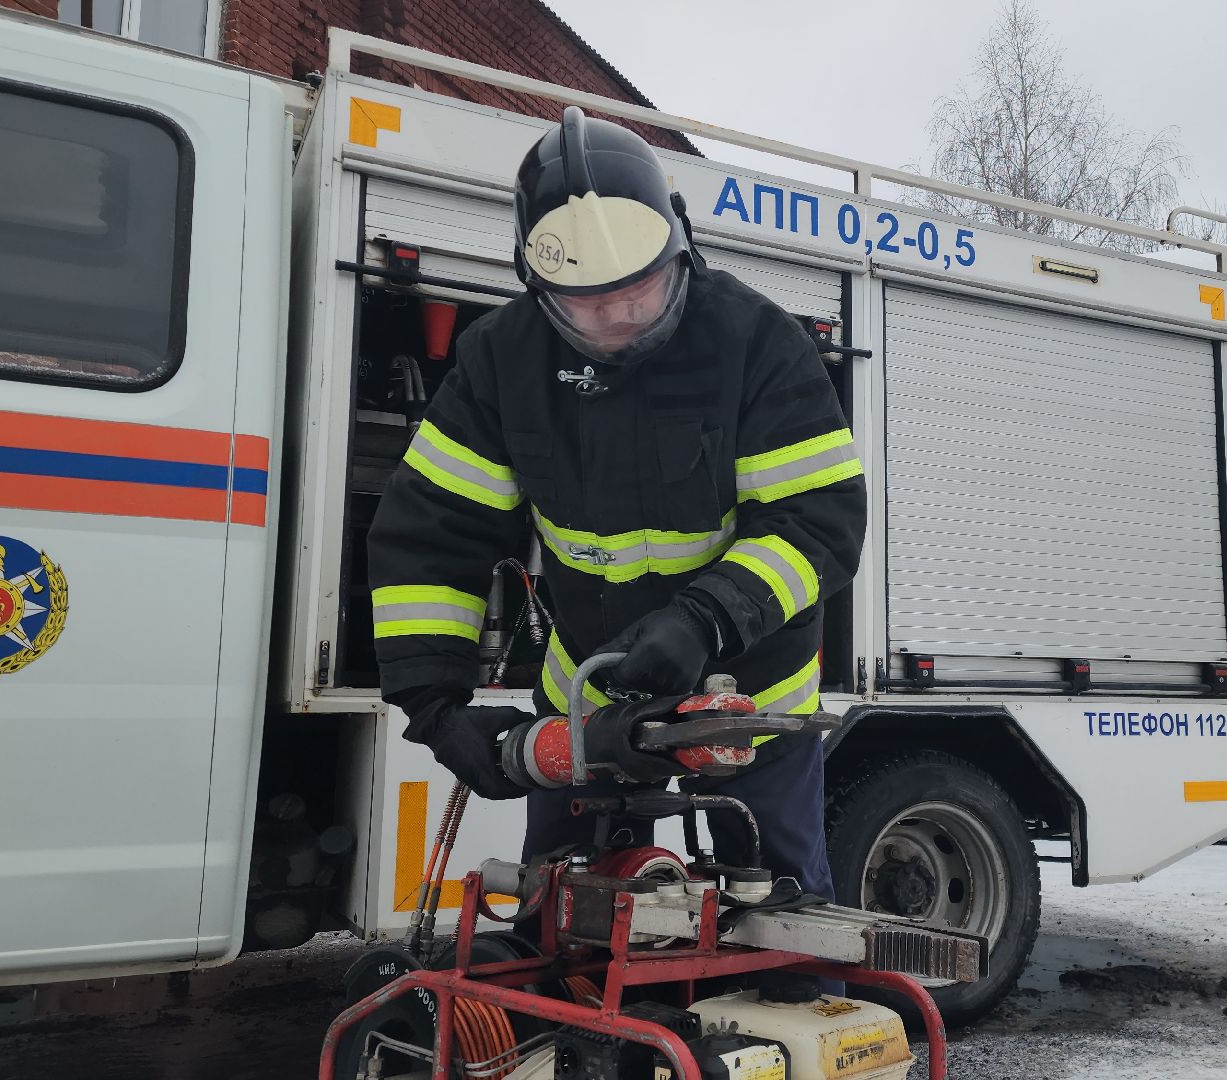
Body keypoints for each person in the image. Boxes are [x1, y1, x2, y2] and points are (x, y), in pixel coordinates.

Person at [365, 106, 865, 903]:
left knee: (776, 918)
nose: (621, 314)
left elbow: (820, 519)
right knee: (565, 914)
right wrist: (435, 705)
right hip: (589, 698)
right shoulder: (502, 362)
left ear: (681, 245)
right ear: (537, 285)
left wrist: (705, 619)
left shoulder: (756, 343)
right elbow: (433, 535)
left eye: (642, 286)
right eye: (588, 303)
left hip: (749, 702)